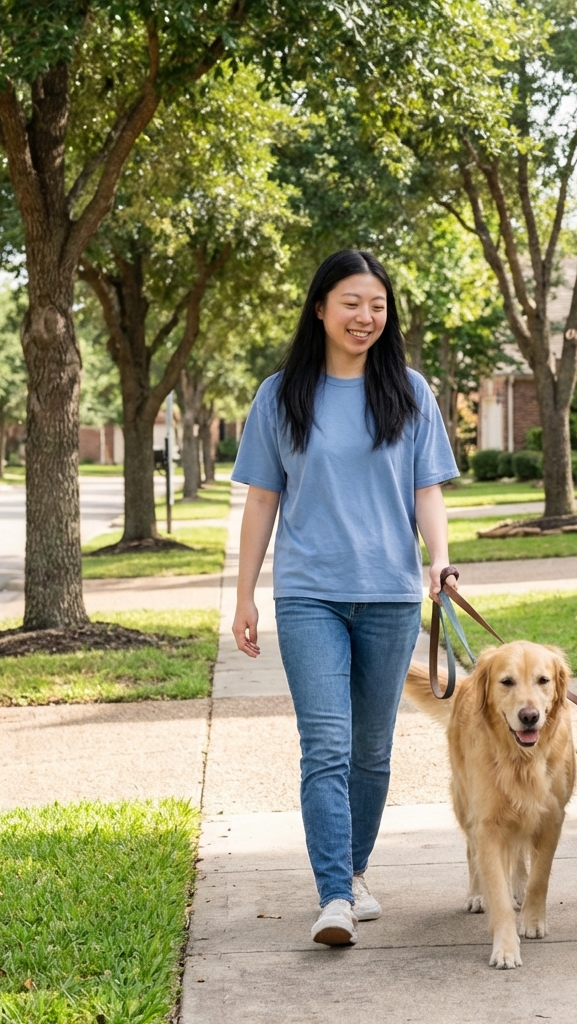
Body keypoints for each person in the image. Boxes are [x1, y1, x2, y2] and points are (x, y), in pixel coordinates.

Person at [230, 249, 459, 947]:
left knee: (372, 750)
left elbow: (427, 490)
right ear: (321, 308)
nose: (366, 317)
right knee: (325, 744)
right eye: (352, 303)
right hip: (309, 595)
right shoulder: (280, 395)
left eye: (378, 306)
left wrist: (441, 561)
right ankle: (333, 895)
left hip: (390, 594)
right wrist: (245, 595)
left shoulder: (411, 391)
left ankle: (354, 872)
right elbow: (262, 497)